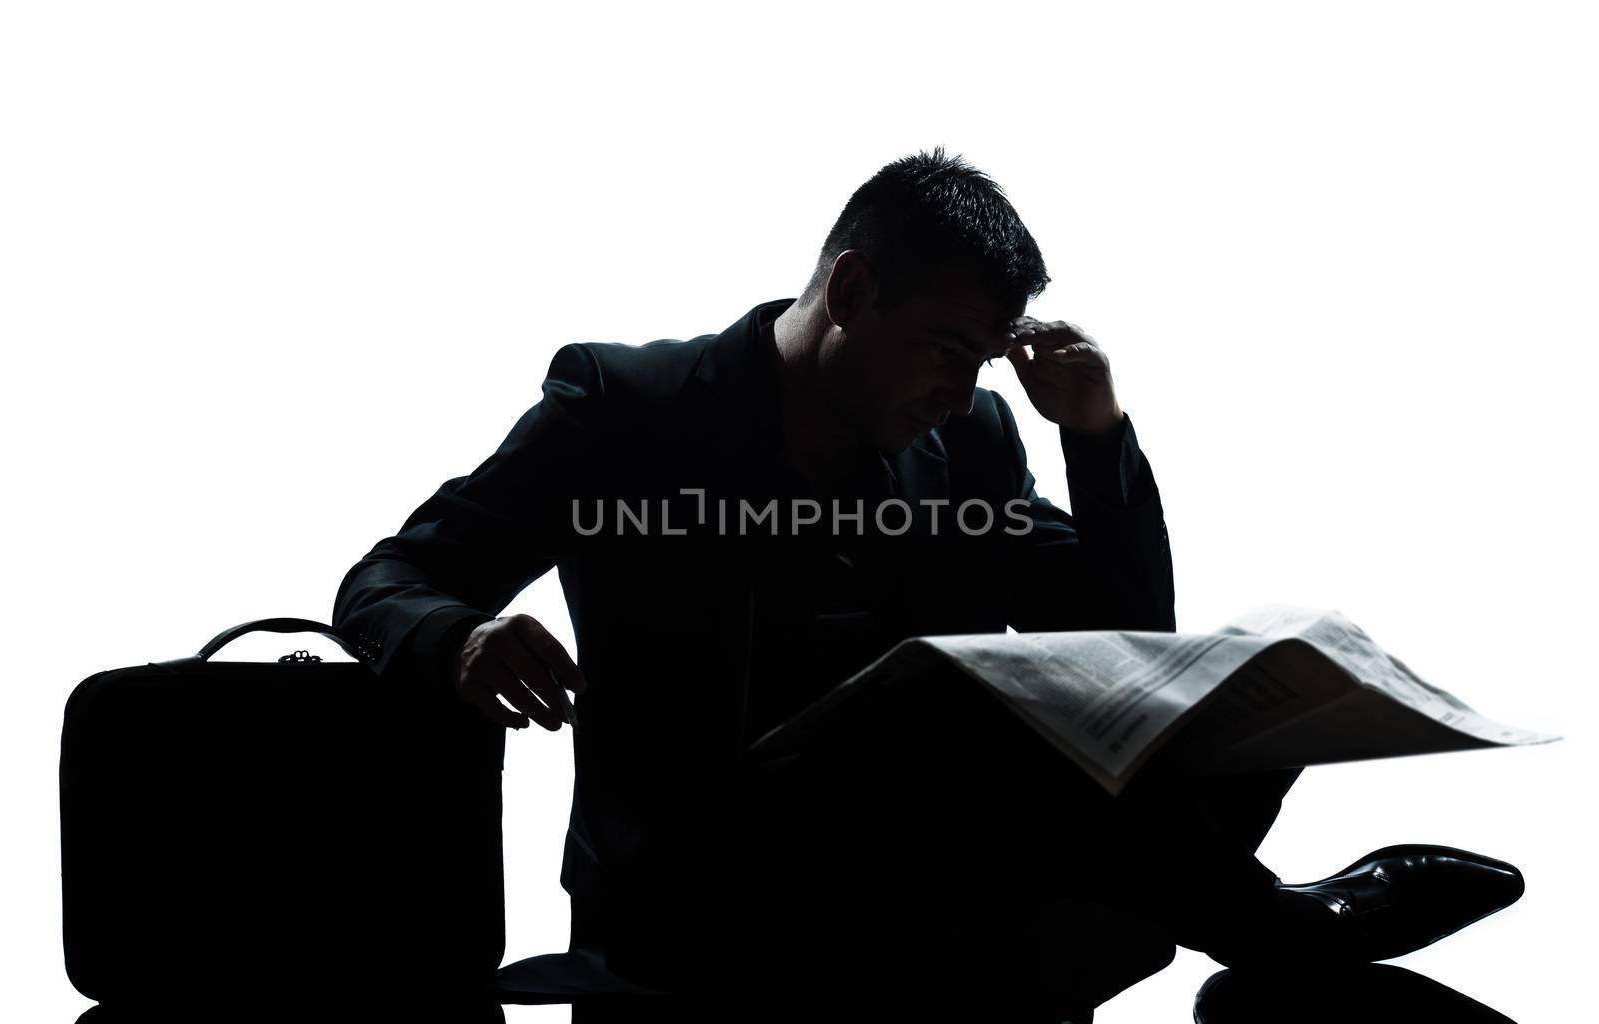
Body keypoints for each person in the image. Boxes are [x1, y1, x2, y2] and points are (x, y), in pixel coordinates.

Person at [332, 148, 1523, 1021]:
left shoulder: (970, 444)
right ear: (850, 293)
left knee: (1221, 702)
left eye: (984, 358)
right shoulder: (627, 408)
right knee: (956, 716)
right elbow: (391, 577)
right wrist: (463, 639)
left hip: (942, 879)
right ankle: (1271, 922)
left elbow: (1120, 642)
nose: (961, 389)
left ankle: (1249, 929)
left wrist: (1095, 436)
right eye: (946, 350)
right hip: (704, 887)